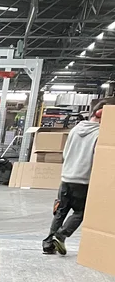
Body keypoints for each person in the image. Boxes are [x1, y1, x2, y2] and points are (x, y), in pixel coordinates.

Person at [42, 97, 114, 255]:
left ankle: (48, 244)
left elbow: (65, 154)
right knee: (82, 212)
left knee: (61, 211)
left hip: (66, 178)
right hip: (83, 181)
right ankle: (61, 235)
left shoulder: (75, 130)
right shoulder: (100, 135)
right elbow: (98, 160)